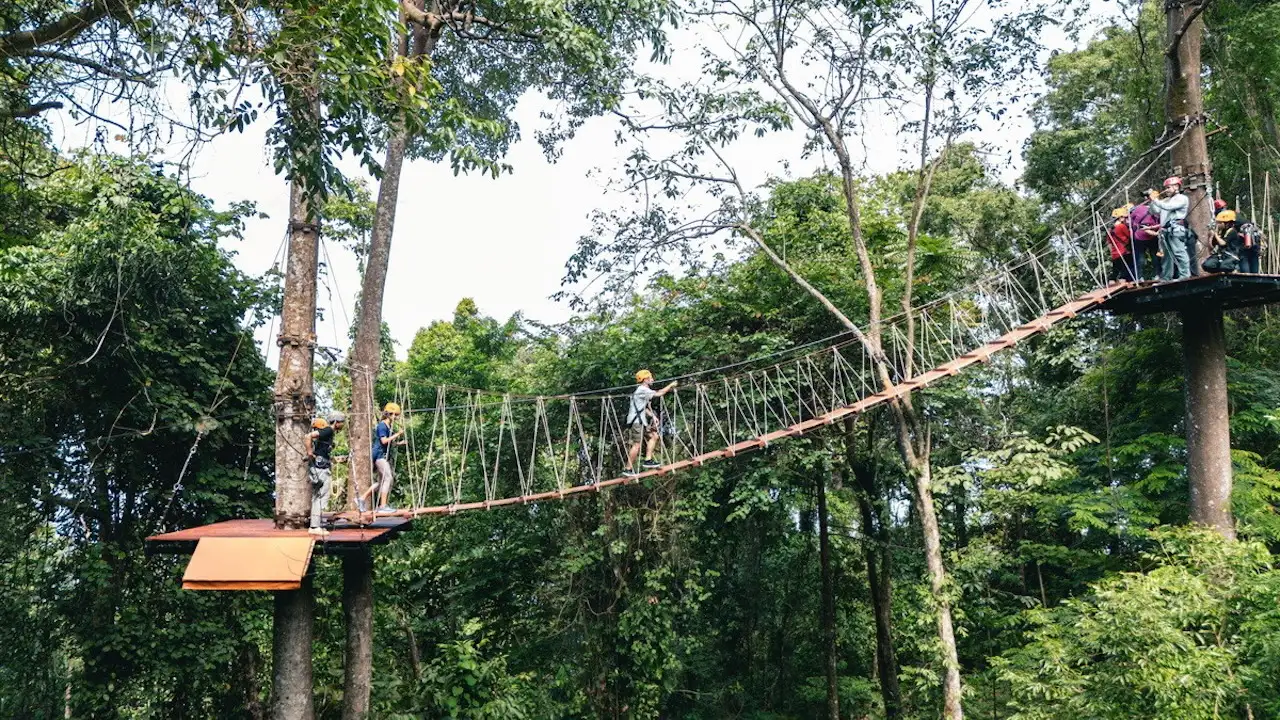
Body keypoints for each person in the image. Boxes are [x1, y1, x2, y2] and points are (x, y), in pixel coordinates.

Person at [624, 370, 677, 476]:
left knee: (654, 435)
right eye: (651, 378)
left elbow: (642, 407)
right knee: (637, 445)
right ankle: (628, 468)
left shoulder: (643, 390)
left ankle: (648, 460)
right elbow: (659, 393)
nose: (653, 380)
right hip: (636, 421)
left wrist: (653, 415)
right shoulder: (642, 389)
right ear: (645, 380)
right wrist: (671, 385)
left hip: (641, 420)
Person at [306, 412, 346, 536]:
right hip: (321, 468)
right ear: (335, 422)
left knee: (318, 496)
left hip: (321, 466)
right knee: (322, 495)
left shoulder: (328, 433)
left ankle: (315, 525)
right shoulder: (328, 430)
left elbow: (322, 451)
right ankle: (315, 526)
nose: (342, 425)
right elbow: (308, 436)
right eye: (341, 422)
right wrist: (309, 452)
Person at [362, 402, 404, 513]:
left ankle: (361, 498)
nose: (396, 417)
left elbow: (388, 444)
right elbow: (383, 441)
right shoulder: (382, 425)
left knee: (381, 482)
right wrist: (398, 434)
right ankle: (382, 506)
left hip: (382, 454)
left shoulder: (388, 426)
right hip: (379, 455)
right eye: (395, 415)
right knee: (388, 478)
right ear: (389, 414)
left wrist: (399, 443)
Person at [1148, 176, 1192, 280]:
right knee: (1166, 256)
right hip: (1165, 230)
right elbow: (1155, 211)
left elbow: (1168, 207)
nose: (1166, 190)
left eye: (1169, 187)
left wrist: (1156, 200)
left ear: (1176, 186)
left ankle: (1185, 275)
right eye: (1166, 187)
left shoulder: (1182, 198)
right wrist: (1152, 201)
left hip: (1176, 228)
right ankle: (1166, 277)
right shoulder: (1166, 200)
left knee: (1179, 252)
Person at [1127, 201, 1162, 280]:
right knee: (1140, 258)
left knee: (1155, 256)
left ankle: (1158, 274)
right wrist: (1156, 233)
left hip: (1152, 237)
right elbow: (1142, 228)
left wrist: (1158, 232)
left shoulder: (1159, 215)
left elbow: (1162, 224)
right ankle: (1139, 277)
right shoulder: (1140, 212)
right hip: (1140, 237)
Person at [1204, 209, 1242, 274]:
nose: (1218, 224)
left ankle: (1235, 268)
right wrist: (1210, 236)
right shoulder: (1221, 232)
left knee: (1225, 267)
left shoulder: (1232, 231)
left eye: (1220, 222)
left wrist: (1215, 233)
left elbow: (1223, 243)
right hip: (1221, 256)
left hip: (1231, 256)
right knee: (1207, 265)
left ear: (1227, 223)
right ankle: (1218, 274)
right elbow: (1211, 248)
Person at [1107, 204, 1135, 283]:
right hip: (1124, 252)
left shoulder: (1110, 230)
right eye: (1123, 217)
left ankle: (1111, 281)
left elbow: (1109, 243)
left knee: (1115, 271)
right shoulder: (1122, 226)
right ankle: (1125, 282)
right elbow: (1130, 236)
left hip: (1115, 254)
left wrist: (1112, 252)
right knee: (1125, 271)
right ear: (1120, 217)